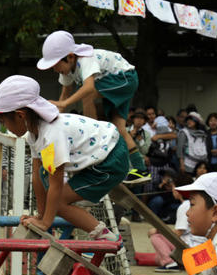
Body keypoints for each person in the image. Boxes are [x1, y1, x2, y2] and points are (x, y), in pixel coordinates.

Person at [0, 75, 126, 244]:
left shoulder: (51, 136)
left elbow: (56, 183)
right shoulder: (34, 134)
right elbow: (37, 174)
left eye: (3, 120)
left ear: (20, 115)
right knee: (51, 191)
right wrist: (40, 215)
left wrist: (45, 222)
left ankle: (109, 239)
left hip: (110, 160)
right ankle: (97, 231)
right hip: (100, 156)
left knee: (58, 203)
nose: (4, 126)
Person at [37, 30, 148, 182]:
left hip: (125, 78)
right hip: (118, 83)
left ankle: (94, 140)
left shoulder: (85, 59)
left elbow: (88, 88)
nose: (54, 69)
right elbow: (63, 98)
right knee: (119, 128)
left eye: (55, 65)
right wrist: (50, 116)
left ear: (70, 57)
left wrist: (63, 103)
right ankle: (141, 169)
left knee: (86, 91)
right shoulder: (66, 71)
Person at [148, 177, 208, 272]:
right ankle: (173, 262)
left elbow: (178, 233)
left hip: (193, 253)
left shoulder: (185, 206)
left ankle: (170, 263)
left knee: (155, 237)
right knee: (158, 258)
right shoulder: (194, 204)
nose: (172, 190)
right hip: (201, 253)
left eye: (173, 187)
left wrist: (157, 231)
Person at [176, 111, 208, 179]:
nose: (189, 122)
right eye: (188, 120)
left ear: (196, 122)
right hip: (188, 164)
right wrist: (182, 165)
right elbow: (180, 150)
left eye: (191, 120)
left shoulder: (202, 134)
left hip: (200, 165)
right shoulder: (184, 132)